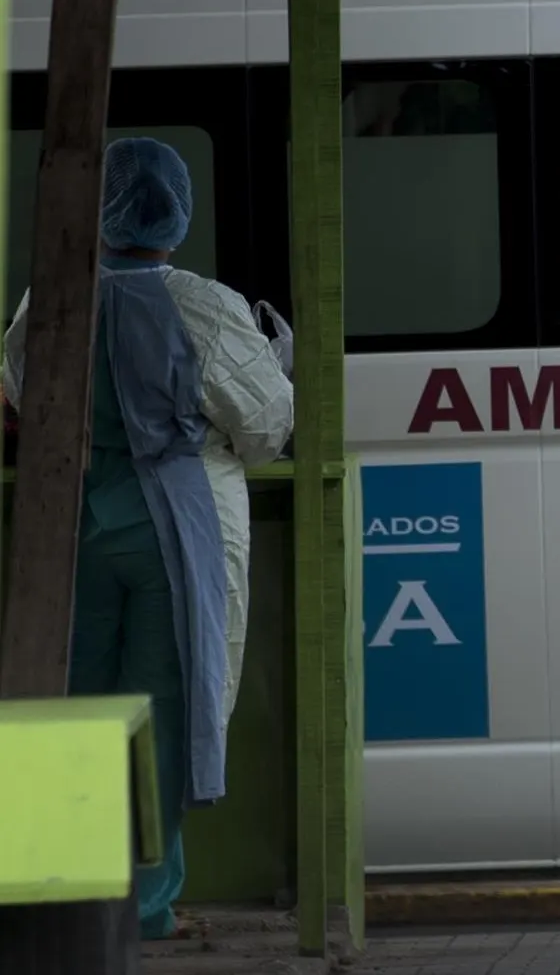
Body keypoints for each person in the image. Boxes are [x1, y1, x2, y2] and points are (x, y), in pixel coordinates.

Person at [2, 137, 295, 938]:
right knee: (161, 717)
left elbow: (19, 394)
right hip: (183, 525)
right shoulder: (204, 304)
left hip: (75, 520)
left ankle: (61, 906)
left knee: (78, 703)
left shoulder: (51, 296)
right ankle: (147, 907)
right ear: (178, 213)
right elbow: (267, 427)